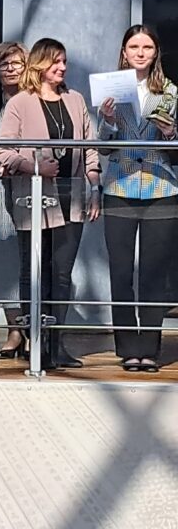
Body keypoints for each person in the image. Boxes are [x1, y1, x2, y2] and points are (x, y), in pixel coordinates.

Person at [0, 37, 101, 370]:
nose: (62, 67)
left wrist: (95, 186)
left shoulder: (75, 99)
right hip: (33, 197)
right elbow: (3, 151)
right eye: (56, 61)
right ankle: (35, 342)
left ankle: (56, 344)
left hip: (72, 197)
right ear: (40, 64)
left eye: (64, 61)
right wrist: (35, 167)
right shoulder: (20, 103)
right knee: (34, 272)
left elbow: (90, 147)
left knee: (61, 274)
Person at [97, 25, 178, 372]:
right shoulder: (112, 89)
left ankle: (150, 348)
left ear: (156, 52)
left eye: (147, 47)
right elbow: (102, 147)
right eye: (134, 47)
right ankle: (128, 346)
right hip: (120, 187)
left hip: (162, 188)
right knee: (120, 272)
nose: (140, 53)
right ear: (124, 52)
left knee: (153, 273)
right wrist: (108, 121)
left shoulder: (171, 91)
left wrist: (171, 133)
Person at [0, 41, 29, 358]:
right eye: (4, 64)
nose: (11, 69)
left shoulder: (36, 98)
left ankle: (34, 326)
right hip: (0, 184)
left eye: (17, 63)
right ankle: (14, 328)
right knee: (5, 253)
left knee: (32, 253)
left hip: (32, 182)